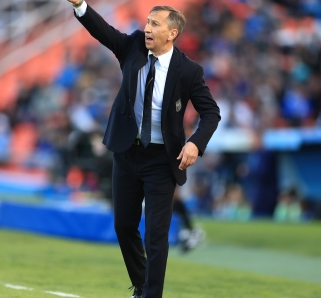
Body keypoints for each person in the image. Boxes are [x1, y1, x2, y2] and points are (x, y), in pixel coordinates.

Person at [65, 1, 220, 297]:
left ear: (172, 33)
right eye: (148, 22)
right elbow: (104, 32)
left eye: (155, 24)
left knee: (156, 235)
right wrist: (80, 5)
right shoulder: (134, 46)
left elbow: (211, 113)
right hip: (126, 153)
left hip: (162, 161)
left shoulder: (189, 71)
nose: (147, 28)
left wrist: (195, 143)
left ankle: (151, 295)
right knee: (123, 226)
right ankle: (141, 284)